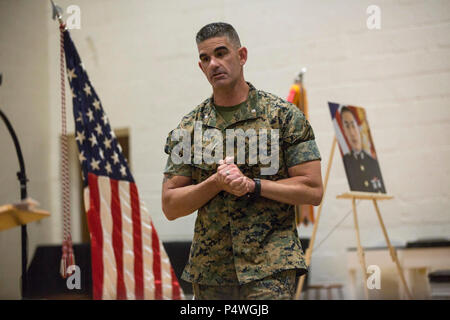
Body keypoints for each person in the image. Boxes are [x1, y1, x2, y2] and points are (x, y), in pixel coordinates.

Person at [161, 22, 323, 300]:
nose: (214, 63)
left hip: (270, 265)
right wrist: (216, 182)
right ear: (201, 67)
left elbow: (312, 190)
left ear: (242, 56)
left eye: (221, 53)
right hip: (211, 272)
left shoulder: (283, 117)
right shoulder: (189, 128)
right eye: (205, 58)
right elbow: (170, 205)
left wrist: (252, 185)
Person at [340, 106, 386, 193]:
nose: (352, 133)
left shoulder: (373, 163)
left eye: (353, 125)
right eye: (347, 127)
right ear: (344, 131)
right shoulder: (345, 162)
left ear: (359, 128)